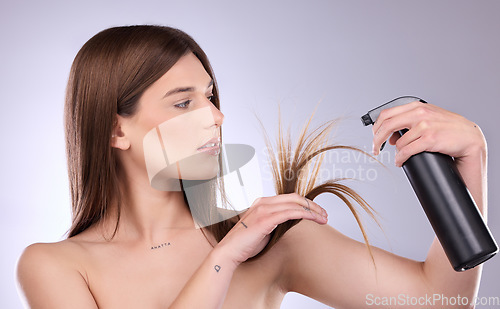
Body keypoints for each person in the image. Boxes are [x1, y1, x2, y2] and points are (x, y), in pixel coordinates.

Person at [16, 25, 488, 309]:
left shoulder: (275, 241)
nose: (216, 117)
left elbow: (438, 302)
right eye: (183, 103)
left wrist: (471, 164)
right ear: (115, 131)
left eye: (211, 97)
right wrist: (223, 258)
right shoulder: (55, 267)